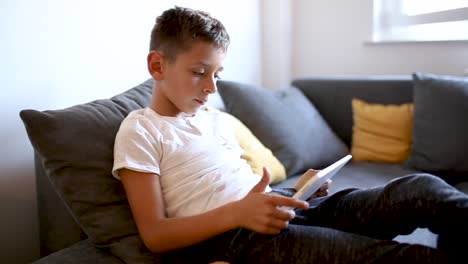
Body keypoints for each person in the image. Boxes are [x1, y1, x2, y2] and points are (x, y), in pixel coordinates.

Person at [112, 6, 468, 264]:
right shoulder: (141, 129)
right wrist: (239, 214)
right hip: (235, 239)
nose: (210, 87)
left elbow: (242, 186)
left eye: (217, 74)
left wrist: (297, 191)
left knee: (421, 189)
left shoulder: (215, 119)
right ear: (158, 65)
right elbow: (156, 235)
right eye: (199, 72)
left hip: (282, 208)